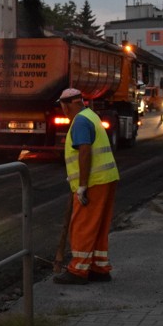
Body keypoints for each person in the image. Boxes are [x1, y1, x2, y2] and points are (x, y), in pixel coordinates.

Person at [54, 88, 120, 285]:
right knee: (98, 226)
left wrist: (82, 185)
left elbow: (84, 151)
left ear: (69, 104)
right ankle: (99, 267)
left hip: (93, 181)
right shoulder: (91, 115)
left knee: (83, 225)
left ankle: (78, 270)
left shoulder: (80, 121)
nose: (63, 110)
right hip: (106, 178)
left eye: (63, 106)